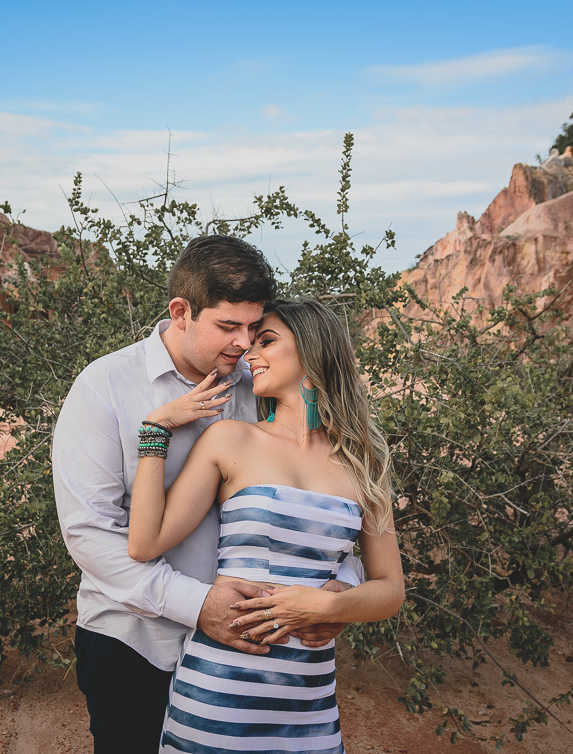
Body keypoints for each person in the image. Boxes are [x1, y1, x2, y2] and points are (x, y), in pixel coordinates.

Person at [52, 237, 362, 754]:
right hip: (135, 641)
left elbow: (312, 496)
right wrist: (198, 606)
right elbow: (88, 532)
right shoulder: (105, 386)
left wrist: (340, 588)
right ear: (181, 312)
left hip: (248, 656)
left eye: (254, 328)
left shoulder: (260, 384)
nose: (244, 343)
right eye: (228, 326)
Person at [129, 297, 404, 753]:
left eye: (266, 341)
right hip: (218, 693)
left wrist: (331, 607)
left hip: (309, 706)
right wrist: (155, 430)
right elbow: (145, 542)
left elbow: (390, 589)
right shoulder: (230, 438)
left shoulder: (363, 462)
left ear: (313, 350)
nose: (249, 353)